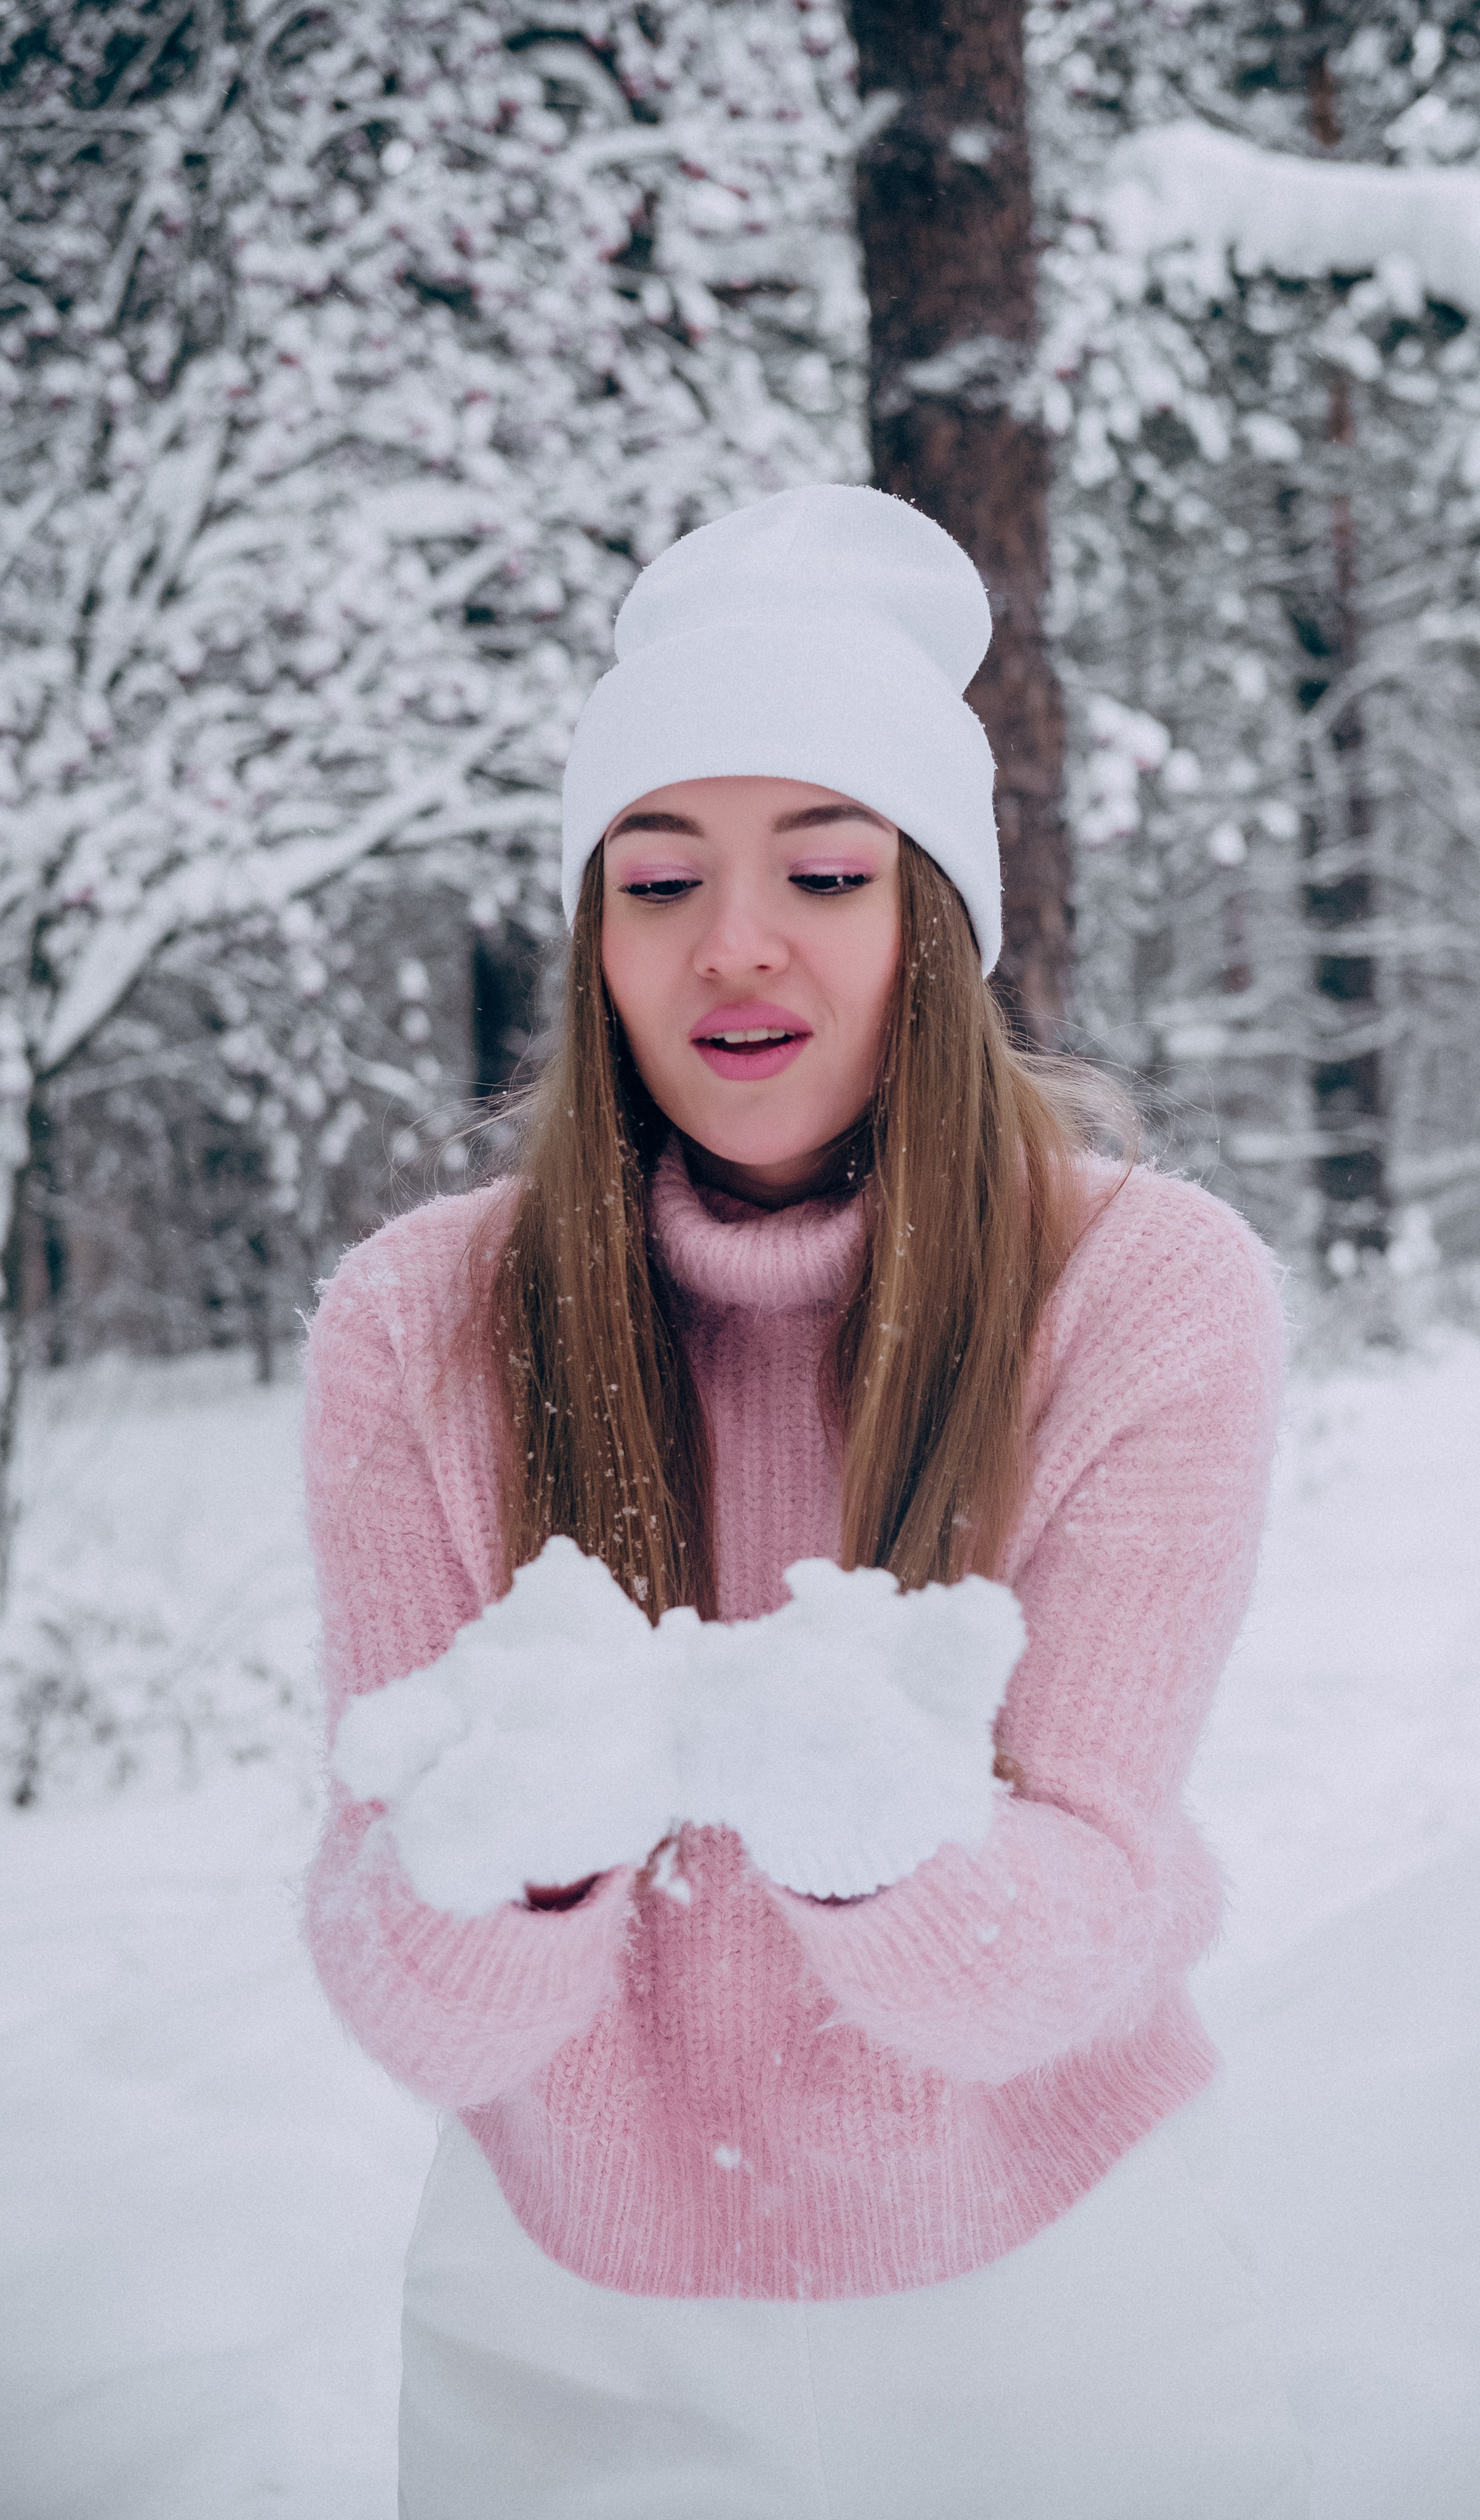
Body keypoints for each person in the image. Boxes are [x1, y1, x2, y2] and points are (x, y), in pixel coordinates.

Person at [302, 485, 1307, 2519]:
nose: (733, 944)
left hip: (1057, 2293)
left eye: (826, 873)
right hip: (563, 2326)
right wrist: (512, 1849)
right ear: (596, 935)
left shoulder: (1139, 1291)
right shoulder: (421, 1324)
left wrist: (876, 1838)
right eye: (657, 879)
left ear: (929, 923)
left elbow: (1081, 1920)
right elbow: (399, 1986)